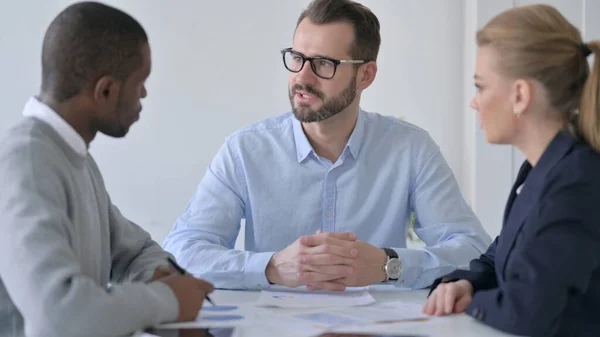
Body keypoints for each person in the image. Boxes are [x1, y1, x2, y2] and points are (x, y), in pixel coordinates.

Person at [162, 0, 491, 291]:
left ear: (366, 76)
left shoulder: (410, 148)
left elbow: (474, 251)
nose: (302, 78)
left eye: (323, 64)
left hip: (378, 328)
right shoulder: (245, 151)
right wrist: (272, 268)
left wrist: (387, 265)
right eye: (297, 58)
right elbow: (181, 252)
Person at [0, 2, 213, 337]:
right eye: (140, 81)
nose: (144, 93)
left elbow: (135, 250)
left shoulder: (74, 157)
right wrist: (168, 300)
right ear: (107, 91)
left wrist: (160, 274)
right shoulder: (25, 162)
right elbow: (58, 316)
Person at [422, 4, 600, 337]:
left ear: (519, 95)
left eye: (480, 86)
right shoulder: (543, 169)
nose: (474, 102)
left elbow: (528, 311)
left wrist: (472, 302)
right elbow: (498, 260)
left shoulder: (579, 181)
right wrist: (464, 284)